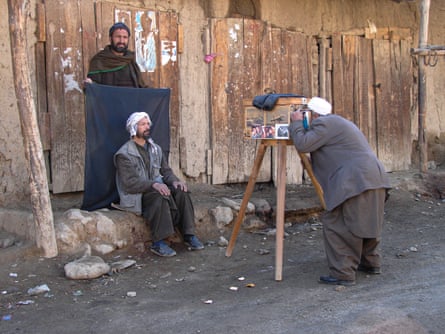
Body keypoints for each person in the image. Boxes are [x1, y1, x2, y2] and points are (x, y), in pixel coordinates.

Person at [289, 97, 391, 286]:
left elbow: (303, 144)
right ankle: (370, 262)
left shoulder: (324, 123)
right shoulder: (339, 124)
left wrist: (296, 124)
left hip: (355, 180)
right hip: (373, 177)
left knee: (339, 224)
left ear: (312, 114)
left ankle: (343, 272)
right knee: (367, 219)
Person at [114, 112, 204, 257]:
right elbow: (130, 183)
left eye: (148, 124)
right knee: (158, 195)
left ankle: (188, 235)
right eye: (143, 124)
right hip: (138, 195)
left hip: (156, 187)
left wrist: (175, 181)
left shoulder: (155, 149)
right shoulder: (124, 154)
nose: (147, 127)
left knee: (181, 190)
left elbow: (166, 171)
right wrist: (154, 185)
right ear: (133, 128)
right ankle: (159, 242)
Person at [84, 22, 147, 88]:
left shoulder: (130, 60)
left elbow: (140, 86)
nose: (121, 41)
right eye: (118, 37)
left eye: (125, 37)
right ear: (110, 38)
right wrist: (90, 84)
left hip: (130, 98)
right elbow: (94, 88)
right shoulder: (99, 61)